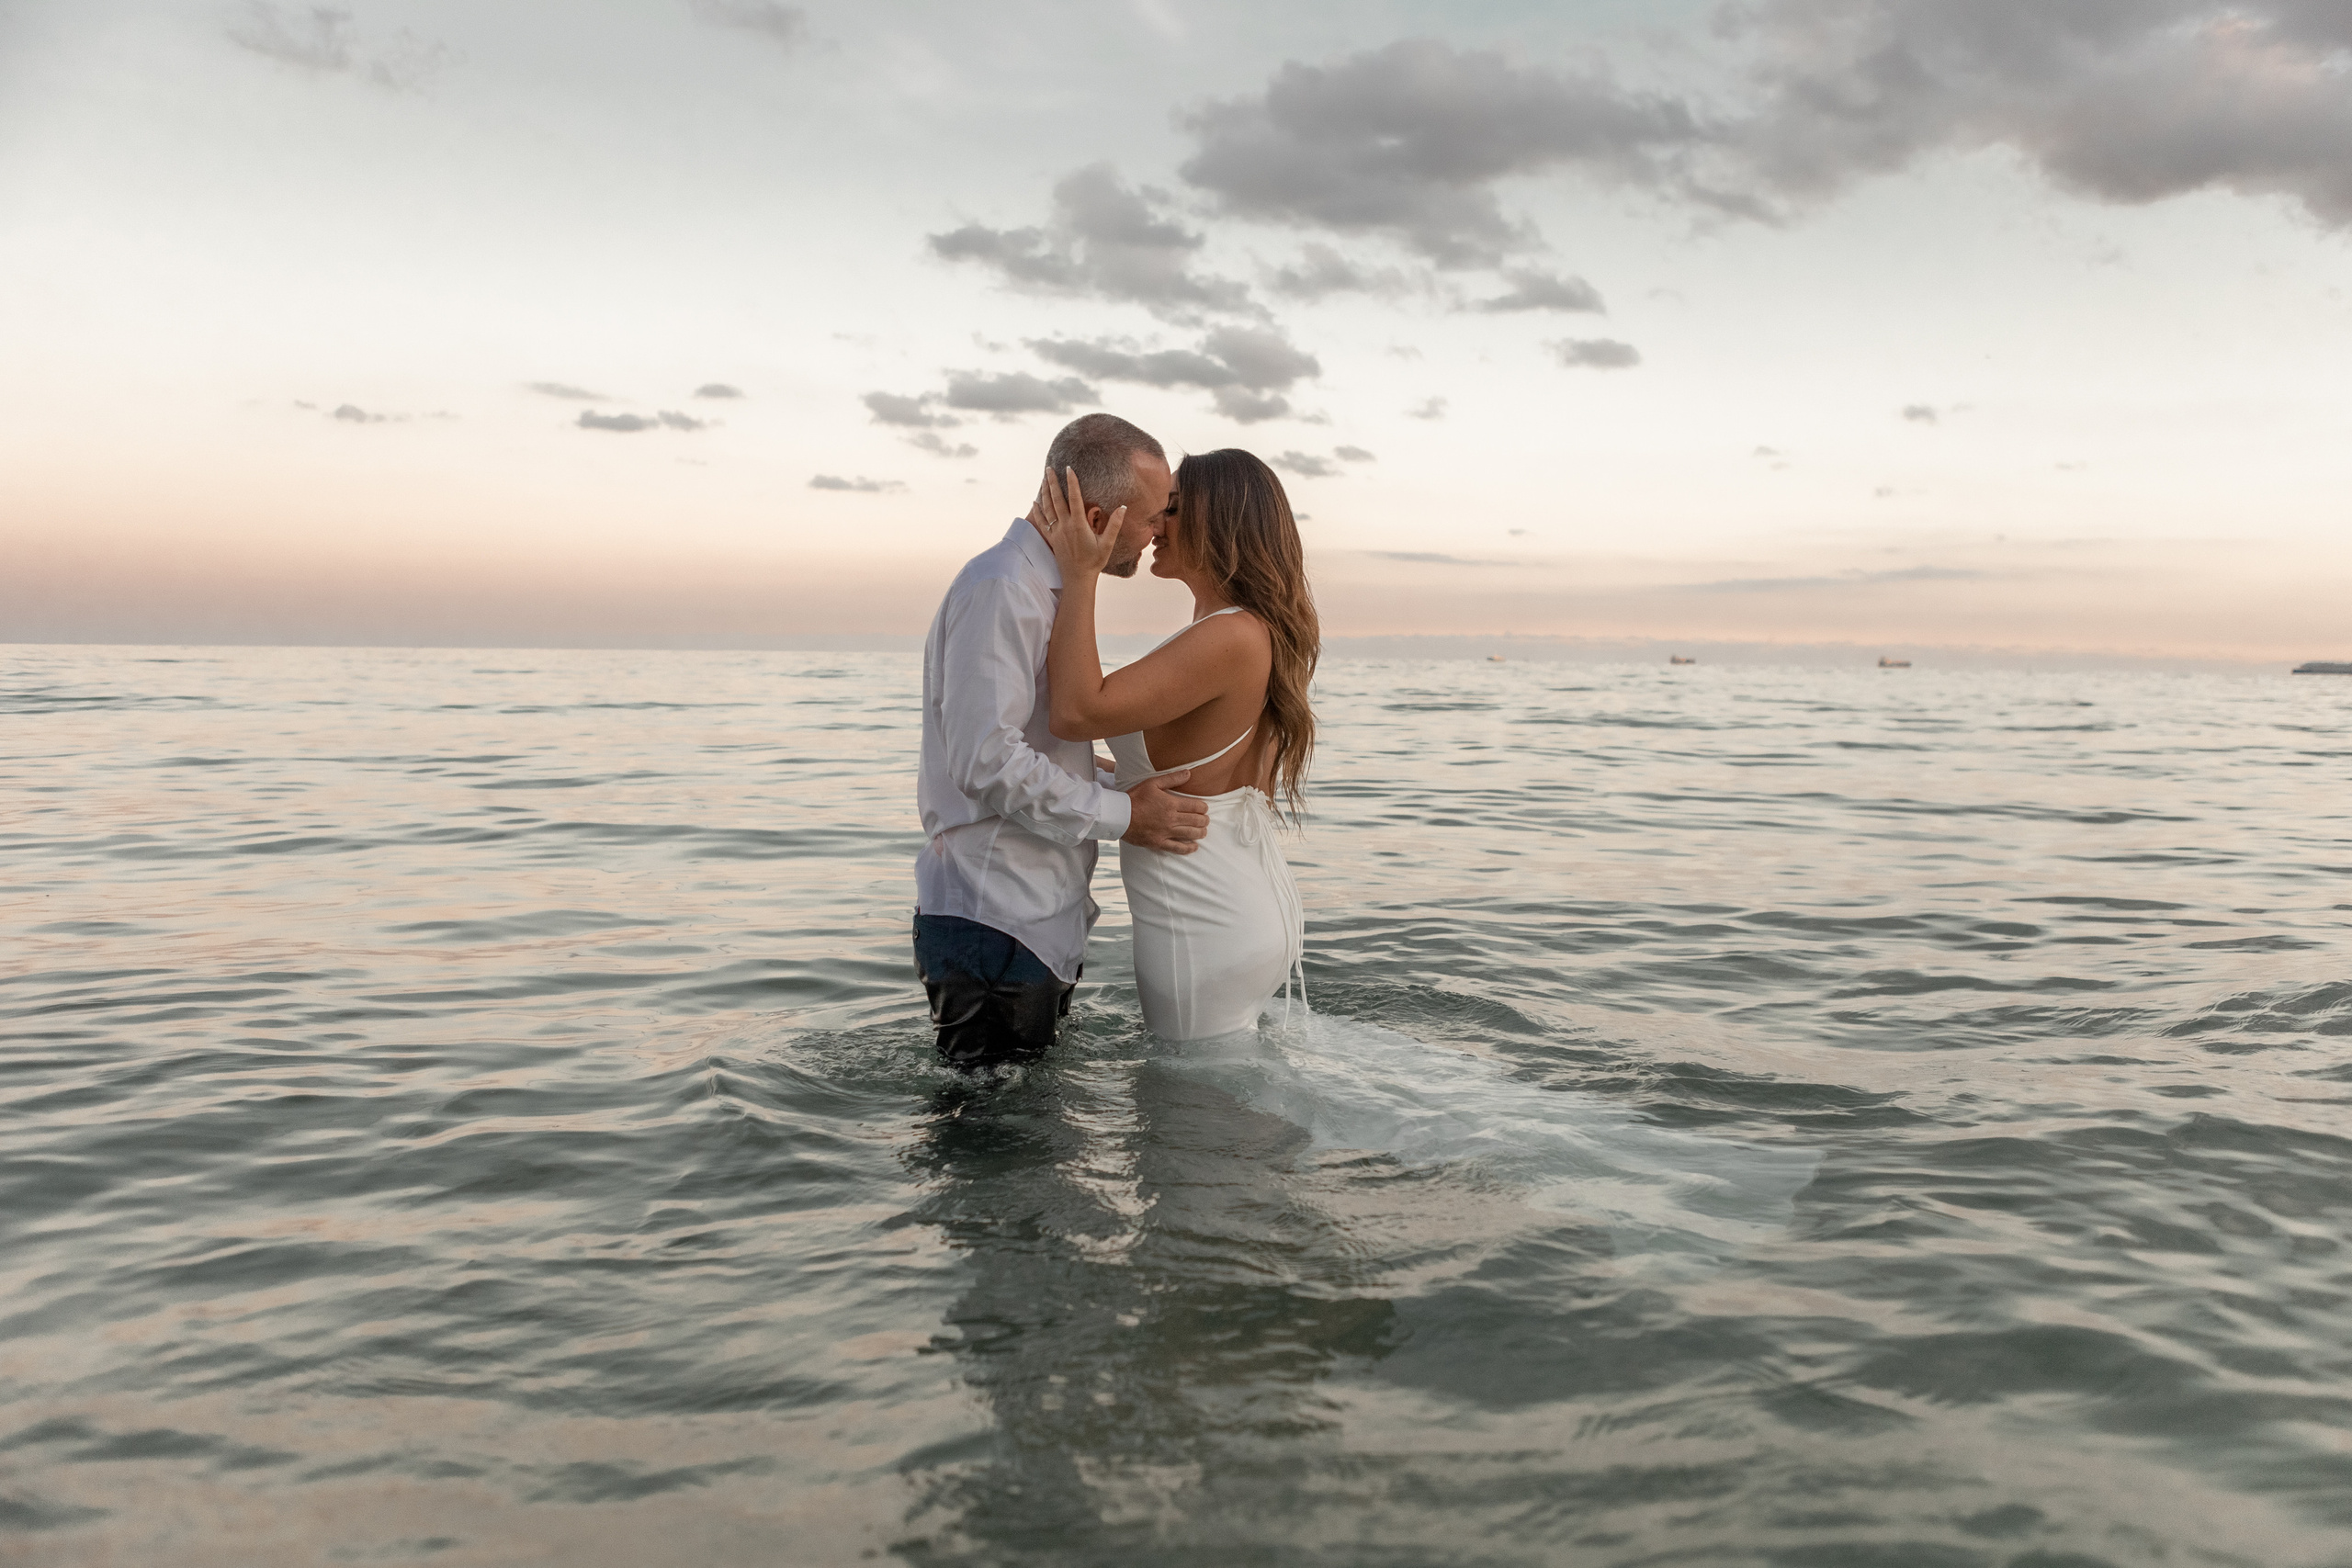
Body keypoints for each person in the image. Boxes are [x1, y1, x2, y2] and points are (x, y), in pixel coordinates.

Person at [913, 413, 1210, 1071]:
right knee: (995, 1155)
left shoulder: (1039, 590)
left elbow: (1036, 749)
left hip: (1028, 921)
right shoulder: (1002, 589)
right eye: (1155, 514)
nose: (1162, 529)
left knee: (1027, 1141)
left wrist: (1117, 785)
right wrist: (1128, 817)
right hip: (996, 918)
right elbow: (986, 762)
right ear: (1096, 513)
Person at [1035, 448, 1317, 1041]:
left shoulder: (1232, 635)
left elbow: (1077, 709)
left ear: (1221, 522)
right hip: (1231, 908)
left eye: (1174, 508)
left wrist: (1079, 571)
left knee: (1192, 1128)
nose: (1155, 524)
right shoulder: (1239, 631)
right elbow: (1180, 773)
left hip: (1203, 920)